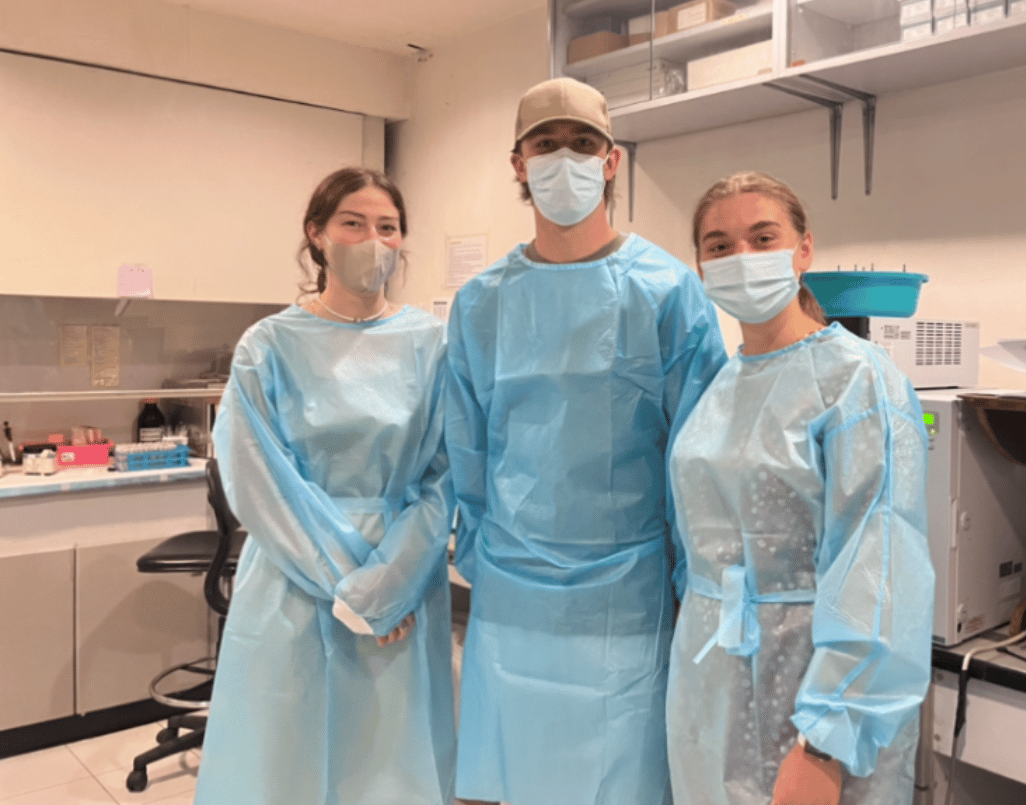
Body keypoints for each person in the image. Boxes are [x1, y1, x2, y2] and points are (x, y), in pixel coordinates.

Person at [445, 78, 727, 805]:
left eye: (582, 144)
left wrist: (689, 579)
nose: (563, 159)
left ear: (611, 161)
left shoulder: (666, 290)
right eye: (546, 145)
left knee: (621, 778)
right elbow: (467, 446)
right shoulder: (483, 301)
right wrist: (478, 549)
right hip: (511, 589)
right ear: (518, 164)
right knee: (517, 774)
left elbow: (698, 456)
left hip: (627, 593)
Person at [666, 172, 934, 805]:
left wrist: (825, 741)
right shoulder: (720, 386)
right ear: (702, 266)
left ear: (804, 249)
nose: (743, 258)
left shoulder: (859, 383)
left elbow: (880, 569)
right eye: (720, 245)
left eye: (763, 237)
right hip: (709, 686)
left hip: (816, 693)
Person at [194, 167, 456, 805]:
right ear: (317, 235)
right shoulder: (270, 345)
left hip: (401, 573)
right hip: (295, 571)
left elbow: (445, 474)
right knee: (286, 759)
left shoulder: (431, 342)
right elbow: (257, 479)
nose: (373, 239)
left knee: (389, 762)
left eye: (387, 227)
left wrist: (388, 583)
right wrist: (350, 583)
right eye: (353, 223)